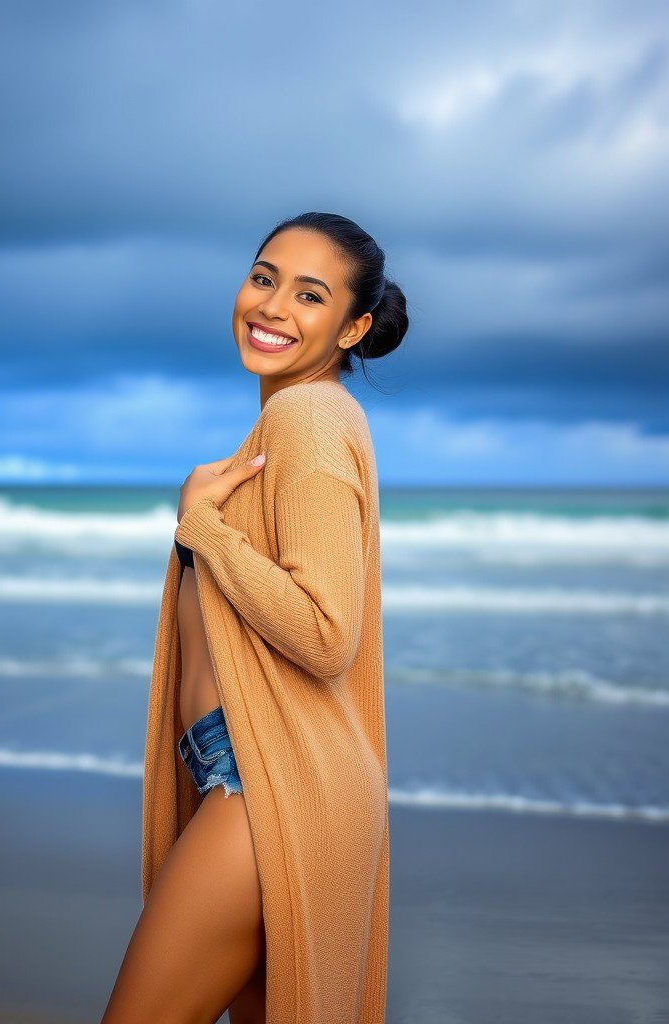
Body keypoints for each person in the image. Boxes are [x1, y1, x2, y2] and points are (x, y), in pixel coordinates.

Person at [101, 212, 409, 1024]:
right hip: (253, 773)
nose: (271, 306)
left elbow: (325, 633)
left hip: (265, 782)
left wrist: (201, 526)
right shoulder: (303, 420)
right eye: (264, 278)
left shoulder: (306, 418)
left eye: (310, 295)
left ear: (353, 328)